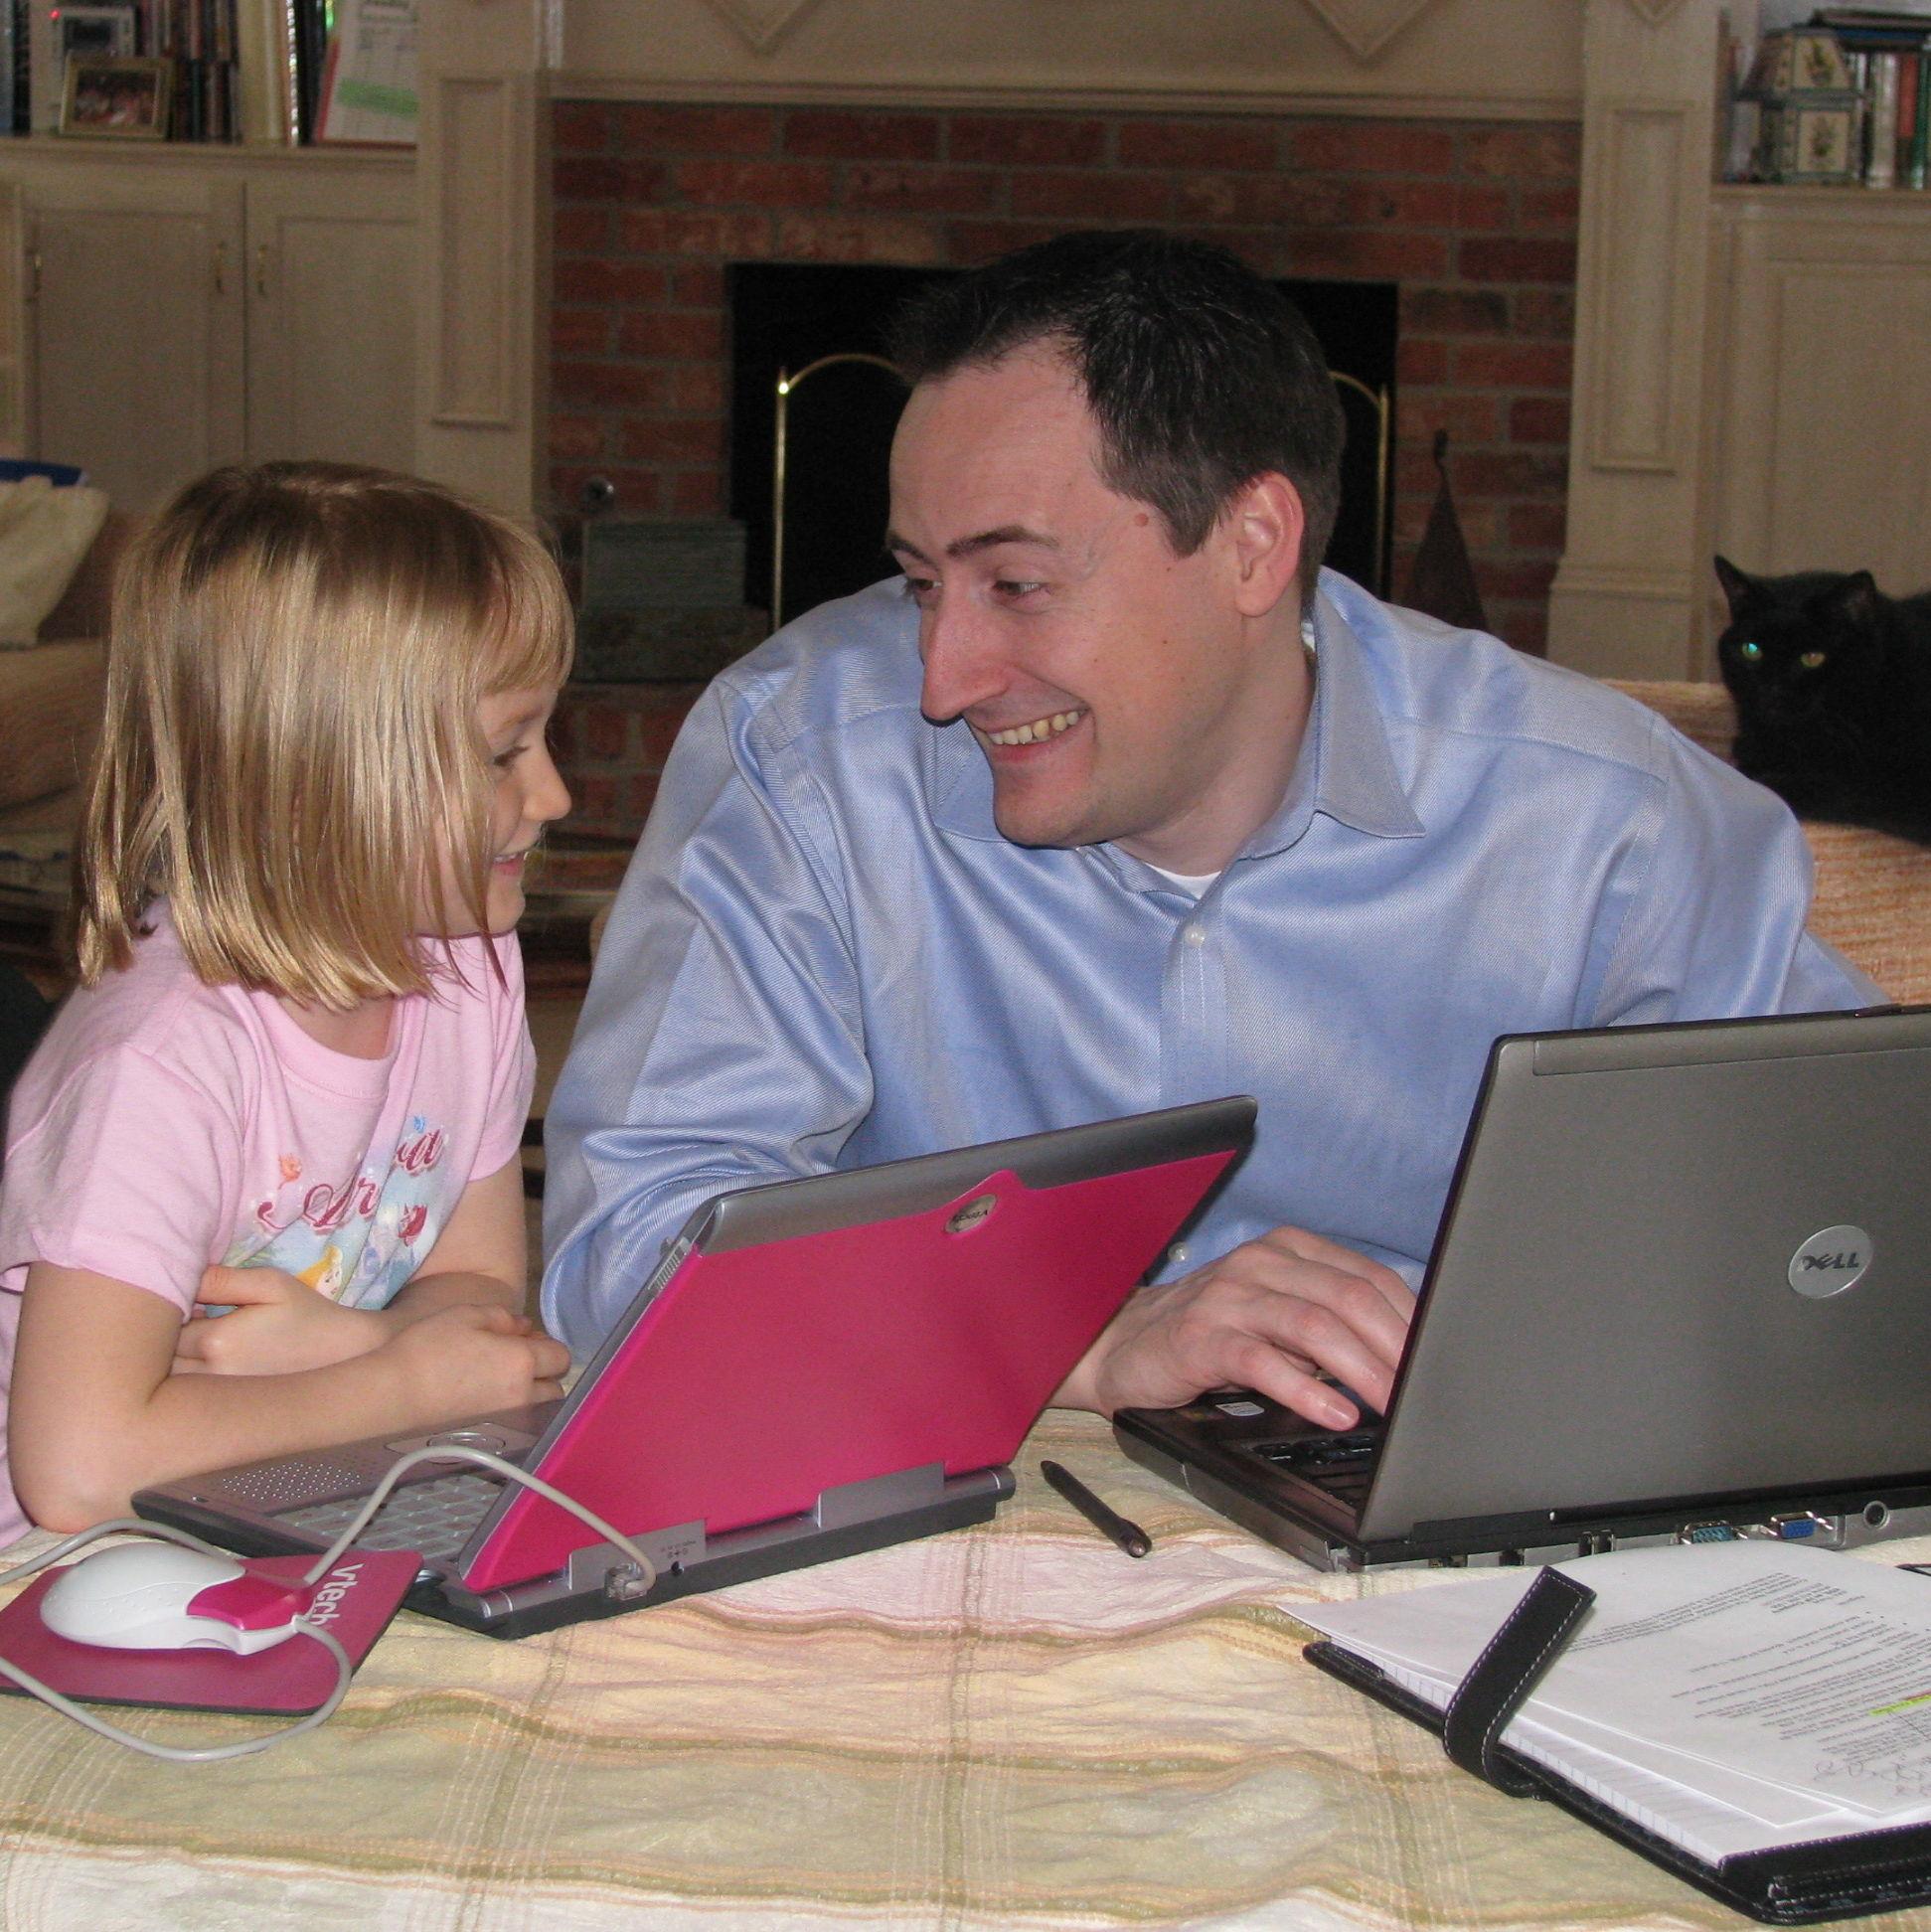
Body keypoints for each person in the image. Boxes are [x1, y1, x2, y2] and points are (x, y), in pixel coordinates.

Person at [542, 230, 1875, 1429]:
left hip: (1417, 1524)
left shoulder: (1603, 824)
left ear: (1250, 545)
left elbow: (1838, 1221)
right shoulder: (802, 761)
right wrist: (1074, 1340)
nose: (940, 675)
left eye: (1014, 583)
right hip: (948, 1529)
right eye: (917, 583)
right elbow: (621, 1260)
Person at [0, 461, 573, 1543]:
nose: (553, 797)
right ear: (327, 779)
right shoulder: (157, 1063)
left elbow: (474, 1292)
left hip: (296, 1481)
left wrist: (350, 1345)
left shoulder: (470, 977)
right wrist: (401, 1384)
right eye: (505, 751)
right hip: (61, 1554)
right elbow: (74, 1470)